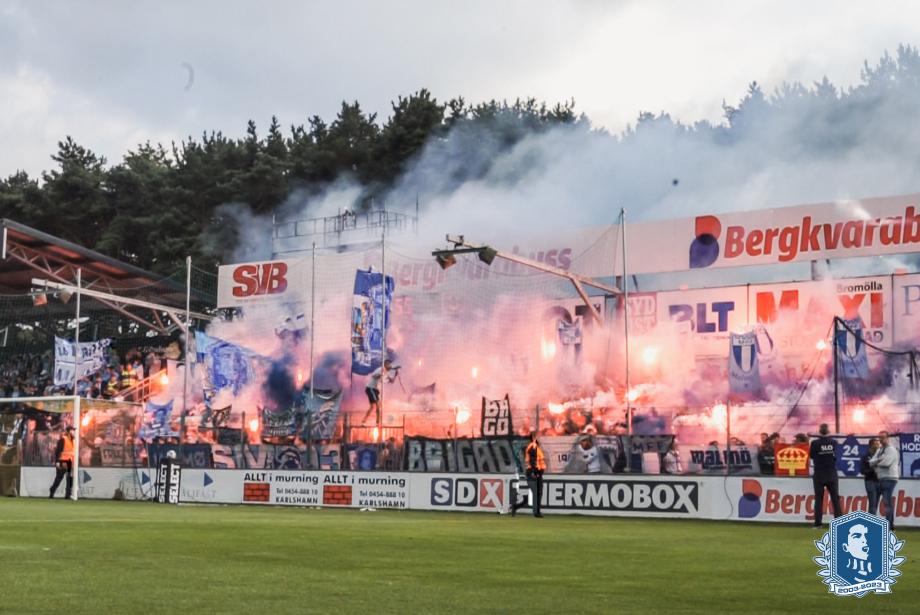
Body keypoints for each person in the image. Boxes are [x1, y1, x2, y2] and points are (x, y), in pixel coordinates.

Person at [809, 423, 842, 527]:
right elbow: (836, 456)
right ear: (828, 431)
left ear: (819, 431)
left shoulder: (815, 443)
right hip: (831, 473)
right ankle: (839, 523)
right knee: (835, 499)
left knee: (819, 499)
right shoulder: (834, 442)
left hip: (819, 473)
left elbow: (811, 456)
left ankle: (818, 524)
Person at [869, 430, 900, 529]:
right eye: (880, 438)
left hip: (890, 478)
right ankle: (890, 525)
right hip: (881, 478)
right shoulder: (880, 450)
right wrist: (879, 460)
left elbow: (887, 463)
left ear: (888, 438)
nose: (881, 440)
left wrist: (876, 463)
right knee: (885, 503)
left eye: (883, 437)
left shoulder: (891, 449)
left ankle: (889, 525)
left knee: (887, 503)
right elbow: (871, 462)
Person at [512, 432, 546, 517]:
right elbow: (533, 459)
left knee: (537, 493)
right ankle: (536, 512)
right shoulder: (533, 446)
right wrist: (534, 471)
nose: (539, 438)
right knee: (537, 492)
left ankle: (516, 507)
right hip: (533, 472)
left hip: (536, 472)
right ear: (534, 437)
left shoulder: (535, 446)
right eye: (537, 436)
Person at [361, 359, 399, 425]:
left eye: (390, 364)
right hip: (371, 388)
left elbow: (391, 381)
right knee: (378, 405)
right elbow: (373, 375)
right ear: (385, 364)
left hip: (375, 390)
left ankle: (363, 421)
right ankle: (378, 423)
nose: (390, 366)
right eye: (389, 364)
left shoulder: (386, 373)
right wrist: (380, 374)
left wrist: (395, 375)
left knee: (372, 407)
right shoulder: (380, 369)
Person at [49, 426, 76, 499]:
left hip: (70, 461)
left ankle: (68, 495)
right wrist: (57, 462)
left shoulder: (73, 440)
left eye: (73, 430)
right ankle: (52, 490)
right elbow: (58, 451)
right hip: (62, 461)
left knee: (69, 478)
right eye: (72, 430)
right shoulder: (63, 439)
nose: (73, 432)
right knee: (59, 478)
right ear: (68, 431)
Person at [860, 437, 880, 515]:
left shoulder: (880, 456)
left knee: (875, 504)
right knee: (873, 503)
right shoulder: (865, 456)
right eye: (876, 444)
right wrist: (872, 470)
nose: (878, 445)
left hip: (879, 482)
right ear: (871, 445)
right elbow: (862, 471)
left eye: (878, 444)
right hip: (870, 482)